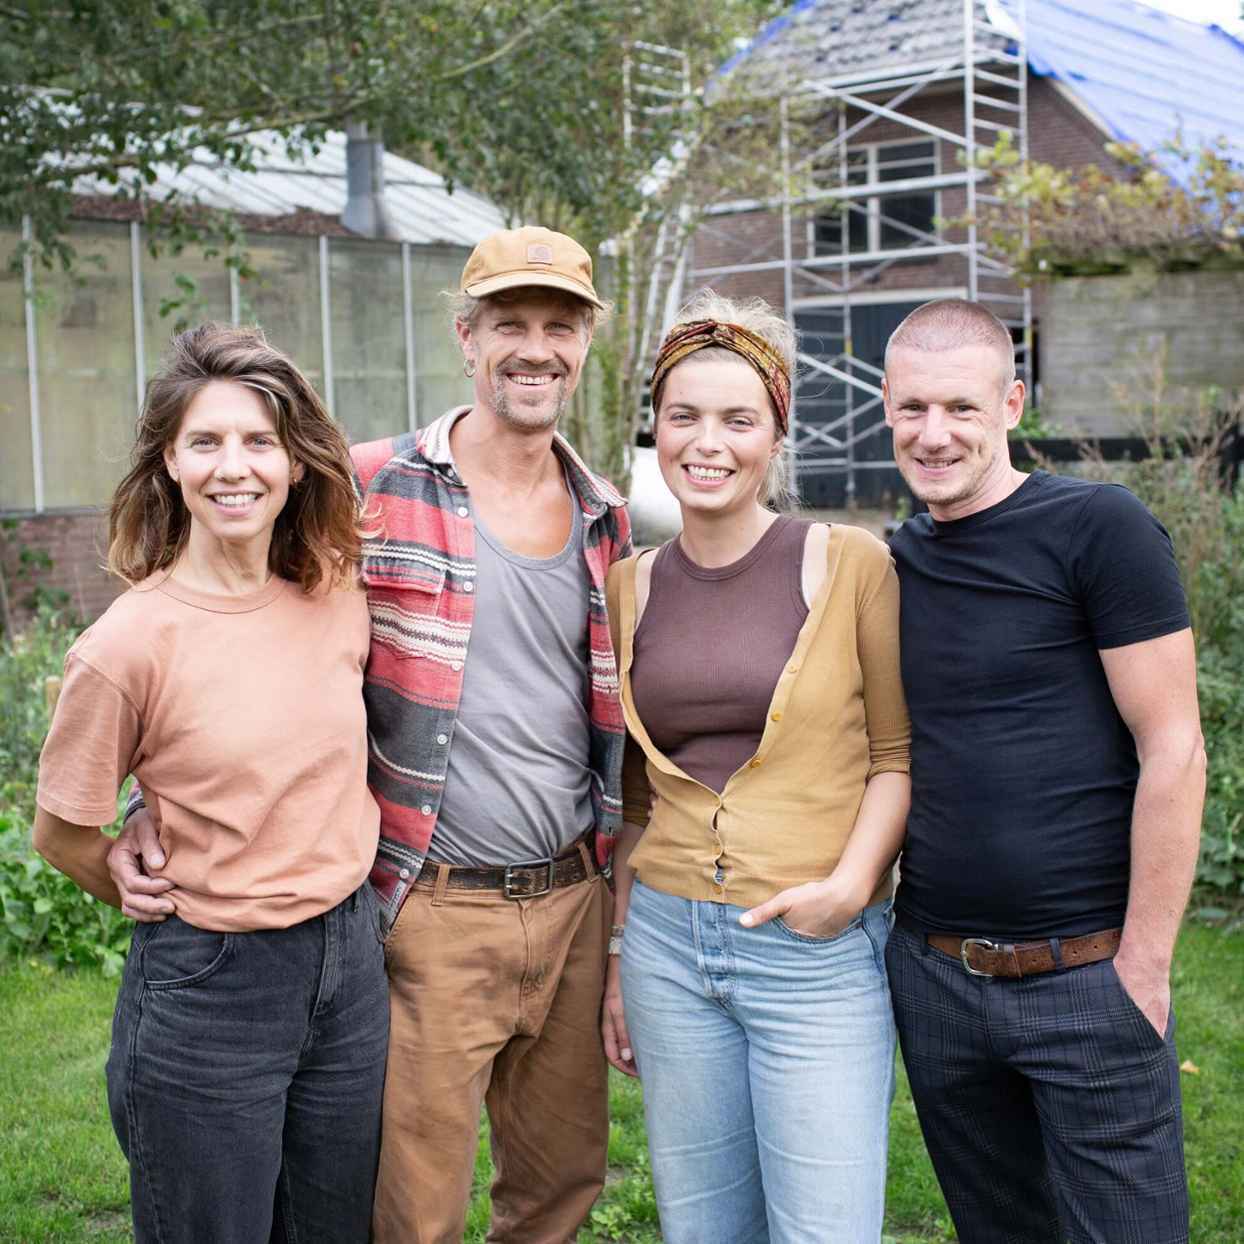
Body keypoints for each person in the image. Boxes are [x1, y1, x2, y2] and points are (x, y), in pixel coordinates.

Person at [111, 227, 633, 1243]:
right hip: (435, 903)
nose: (535, 348)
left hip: (573, 898)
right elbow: (227, 620)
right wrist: (148, 799)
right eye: (509, 325)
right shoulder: (366, 486)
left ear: (584, 345)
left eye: (559, 325)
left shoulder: (604, 513)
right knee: (411, 1207)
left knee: (559, 1182)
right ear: (466, 338)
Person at [33, 324, 388, 1243]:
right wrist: (126, 868)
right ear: (170, 463)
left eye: (260, 441)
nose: (236, 467)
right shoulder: (128, 644)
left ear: (298, 461)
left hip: (349, 968)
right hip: (212, 984)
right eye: (206, 442)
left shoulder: (335, 592)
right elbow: (62, 830)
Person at [881, 299, 1205, 1244]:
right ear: (887, 409)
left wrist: (1144, 965)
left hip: (1088, 975)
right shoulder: (897, 562)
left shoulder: (1098, 528)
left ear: (1012, 403)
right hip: (937, 978)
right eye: (911, 409)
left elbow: (1175, 748)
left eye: (961, 409)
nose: (932, 435)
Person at [601, 291, 911, 1243]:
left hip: (813, 952)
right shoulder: (631, 582)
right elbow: (642, 793)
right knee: (704, 1229)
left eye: (739, 420)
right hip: (667, 947)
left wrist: (850, 890)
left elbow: (897, 758)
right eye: (683, 416)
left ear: (777, 433)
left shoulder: (849, 563)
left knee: (825, 1229)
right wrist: (619, 959)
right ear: (654, 427)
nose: (707, 442)